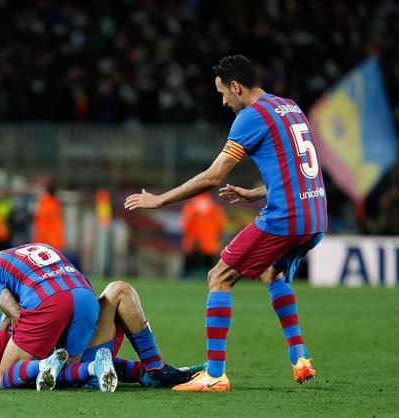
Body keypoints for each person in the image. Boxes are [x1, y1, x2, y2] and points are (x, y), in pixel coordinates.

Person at [125, 55, 326, 392]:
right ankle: (300, 355)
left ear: (236, 86)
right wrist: (255, 193)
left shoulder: (250, 117)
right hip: (316, 215)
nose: (223, 101)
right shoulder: (290, 107)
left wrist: (159, 199)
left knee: (218, 276)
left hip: (286, 217)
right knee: (270, 272)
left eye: (223, 93)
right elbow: (302, 172)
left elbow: (213, 177)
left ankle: (215, 375)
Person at [0, 280, 203, 389]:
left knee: (119, 291)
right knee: (22, 370)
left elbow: (9, 323)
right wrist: (3, 327)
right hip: (50, 364)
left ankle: (155, 369)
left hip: (63, 353)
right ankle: (110, 370)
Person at [0, 239, 105, 390]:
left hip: (49, 301)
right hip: (86, 298)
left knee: (4, 377)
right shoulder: (41, 245)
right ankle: (97, 367)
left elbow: (15, 313)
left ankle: (46, 363)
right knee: (65, 371)